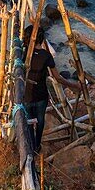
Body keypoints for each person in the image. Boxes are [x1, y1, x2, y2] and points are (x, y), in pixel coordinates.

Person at [22, 24, 80, 152]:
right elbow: (58, 77)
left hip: (27, 93)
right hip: (41, 93)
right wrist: (74, 85)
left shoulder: (24, 53)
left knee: (29, 121)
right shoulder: (46, 56)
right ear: (42, 39)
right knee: (40, 120)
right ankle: (37, 145)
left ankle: (31, 144)